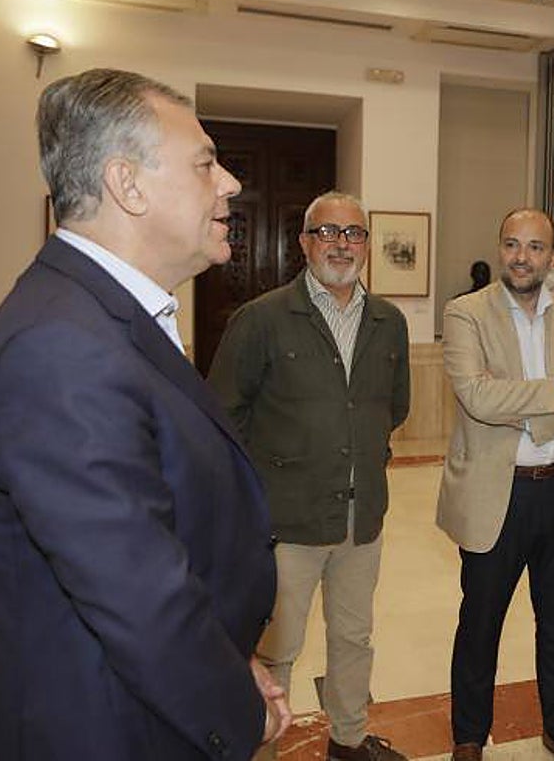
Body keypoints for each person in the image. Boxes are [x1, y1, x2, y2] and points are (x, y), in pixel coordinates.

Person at [0, 68, 287, 760]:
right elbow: (139, 599)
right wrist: (236, 712)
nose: (228, 183)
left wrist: (230, 660)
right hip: (104, 731)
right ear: (127, 185)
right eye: (204, 164)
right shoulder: (60, 348)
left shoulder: (102, 319)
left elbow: (167, 538)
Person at [208, 191, 411, 761]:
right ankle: (262, 747)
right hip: (286, 522)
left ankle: (347, 740)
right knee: (277, 648)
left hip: (360, 519)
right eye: (328, 232)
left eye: (354, 234)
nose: (341, 244)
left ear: (367, 245)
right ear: (304, 243)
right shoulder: (262, 319)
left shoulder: (388, 323)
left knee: (353, 638)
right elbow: (223, 420)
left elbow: (393, 410)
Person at [439, 208, 554, 761]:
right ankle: (469, 735)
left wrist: (533, 413)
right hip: (498, 495)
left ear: (552, 255)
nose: (521, 257)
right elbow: (478, 397)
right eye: (512, 244)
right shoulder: (466, 314)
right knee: (480, 625)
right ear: (500, 247)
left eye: (535, 247)